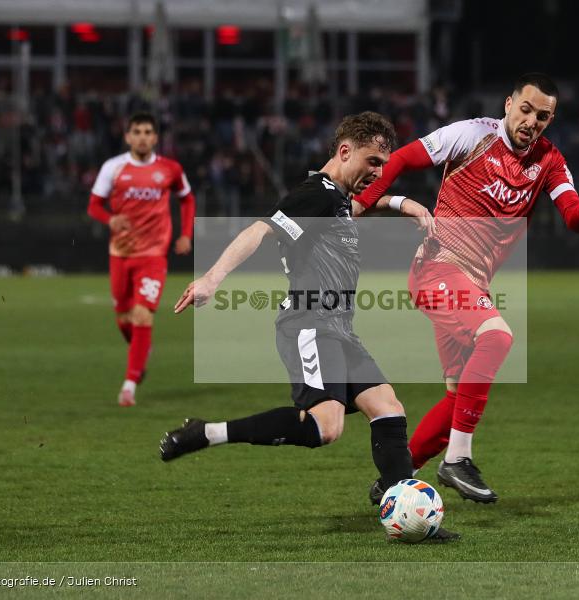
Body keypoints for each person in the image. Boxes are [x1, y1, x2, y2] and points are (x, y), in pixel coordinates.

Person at [158, 112, 457, 541]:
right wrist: (212, 278)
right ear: (345, 151)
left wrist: (400, 203)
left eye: (383, 165)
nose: (378, 173)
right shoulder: (316, 193)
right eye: (373, 162)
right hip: (309, 323)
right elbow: (262, 229)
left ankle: (405, 509)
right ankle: (206, 433)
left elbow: (357, 207)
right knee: (326, 426)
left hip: (339, 327)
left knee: (388, 408)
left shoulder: (336, 199)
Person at [354, 73, 579, 504]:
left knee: (458, 397)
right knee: (497, 336)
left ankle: (395, 477)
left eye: (543, 117)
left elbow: (574, 218)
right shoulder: (472, 135)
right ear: (508, 105)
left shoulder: (549, 160)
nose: (531, 121)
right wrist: (362, 201)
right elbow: (403, 158)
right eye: (526, 109)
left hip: (471, 283)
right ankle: (458, 459)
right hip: (438, 268)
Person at [87, 113, 196, 406]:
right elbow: (94, 205)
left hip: (153, 255)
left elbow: (187, 198)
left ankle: (129, 386)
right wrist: (110, 220)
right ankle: (141, 349)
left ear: (156, 137)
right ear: (127, 136)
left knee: (142, 315)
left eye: (148, 132)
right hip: (120, 254)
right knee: (124, 319)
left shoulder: (170, 169)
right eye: (137, 131)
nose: (143, 137)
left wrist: (186, 234)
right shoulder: (113, 168)